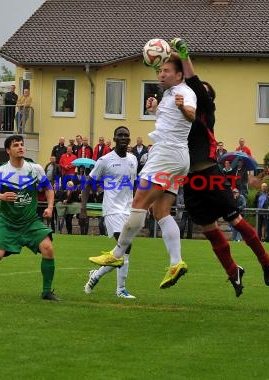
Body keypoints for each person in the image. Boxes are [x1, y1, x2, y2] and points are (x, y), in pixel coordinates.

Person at [166, 38, 269, 296]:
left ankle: (266, 262)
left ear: (207, 97)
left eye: (201, 90)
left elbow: (191, 80)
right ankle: (233, 272)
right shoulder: (181, 111)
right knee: (208, 229)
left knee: (235, 220)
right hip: (190, 180)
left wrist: (183, 56)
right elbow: (178, 85)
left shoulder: (206, 110)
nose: (196, 91)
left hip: (210, 173)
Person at [89, 55, 197, 289]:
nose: (161, 74)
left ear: (179, 75)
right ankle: (176, 262)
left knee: (138, 202)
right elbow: (171, 121)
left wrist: (183, 107)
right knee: (161, 211)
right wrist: (157, 109)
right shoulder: (168, 94)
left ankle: (117, 253)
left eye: (166, 70)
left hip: (165, 155)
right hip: (177, 156)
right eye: (159, 71)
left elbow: (192, 114)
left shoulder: (184, 91)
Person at [0, 135, 59, 301]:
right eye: (16, 145)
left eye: (22, 144)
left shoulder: (35, 168)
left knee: (48, 248)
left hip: (30, 222)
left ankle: (47, 292)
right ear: (8, 150)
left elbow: (49, 189)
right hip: (8, 223)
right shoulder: (0, 172)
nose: (20, 147)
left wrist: (50, 207)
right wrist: (1, 197)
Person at [80, 126, 138, 299]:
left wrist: (140, 206)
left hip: (129, 209)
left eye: (126, 135)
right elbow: (89, 183)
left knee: (122, 251)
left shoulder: (134, 159)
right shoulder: (104, 160)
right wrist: (83, 208)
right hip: (112, 209)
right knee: (125, 246)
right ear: (114, 138)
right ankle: (120, 289)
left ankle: (96, 275)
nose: (123, 137)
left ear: (129, 139)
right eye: (120, 135)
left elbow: (134, 185)